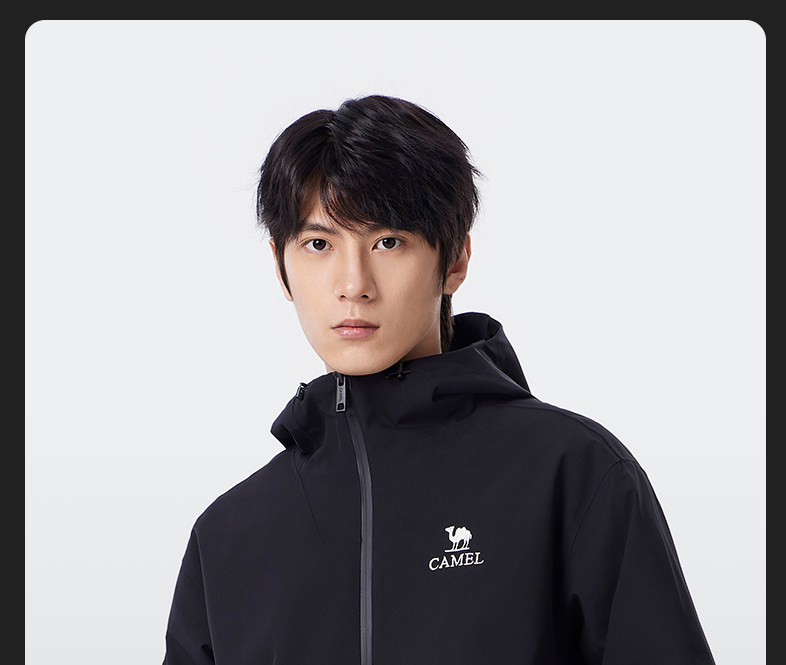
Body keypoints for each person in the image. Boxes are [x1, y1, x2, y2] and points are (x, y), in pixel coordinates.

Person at [162, 95, 717, 664]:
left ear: (454, 260)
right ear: (281, 266)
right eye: (319, 244)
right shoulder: (227, 537)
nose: (353, 285)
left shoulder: (573, 473)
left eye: (388, 242)